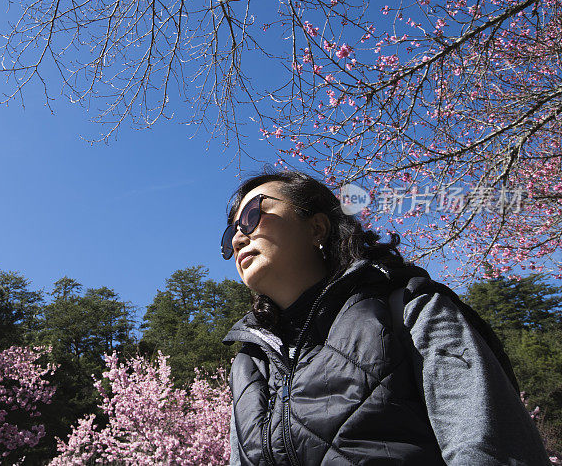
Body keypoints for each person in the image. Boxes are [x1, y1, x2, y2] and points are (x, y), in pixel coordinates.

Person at [220, 169, 550, 465]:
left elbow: (488, 446)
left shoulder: (408, 308)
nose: (237, 238)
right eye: (230, 233)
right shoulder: (249, 364)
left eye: (252, 215)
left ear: (317, 228)